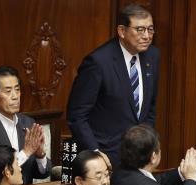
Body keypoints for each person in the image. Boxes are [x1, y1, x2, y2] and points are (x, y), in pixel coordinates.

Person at [66, 3, 160, 167]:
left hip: (139, 157)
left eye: (150, 29)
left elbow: (150, 107)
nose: (147, 36)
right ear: (122, 31)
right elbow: (77, 115)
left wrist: (146, 143)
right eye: (140, 30)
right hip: (105, 157)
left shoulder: (152, 56)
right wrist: (95, 153)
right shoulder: (98, 62)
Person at [0, 66, 51, 185]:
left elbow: (42, 173)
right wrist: (26, 152)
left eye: (17, 90)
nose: (15, 96)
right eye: (8, 91)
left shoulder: (28, 123)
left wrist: (40, 155)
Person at [110, 124, 196, 185]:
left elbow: (154, 182)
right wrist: (191, 178)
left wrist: (182, 172)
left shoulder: (120, 171)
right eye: (159, 149)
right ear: (153, 157)